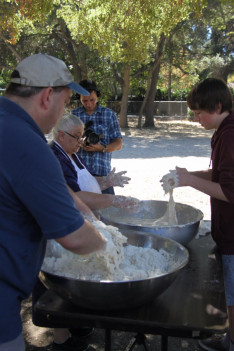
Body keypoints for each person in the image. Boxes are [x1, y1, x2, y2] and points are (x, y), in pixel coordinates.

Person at [0, 53, 107, 351]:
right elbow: (75, 239)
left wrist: (83, 208)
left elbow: (50, 188)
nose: (64, 111)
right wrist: (111, 246)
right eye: (65, 101)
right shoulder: (28, 142)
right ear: (48, 96)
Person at [161, 78, 233, 351]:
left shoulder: (229, 135)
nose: (196, 118)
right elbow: (222, 174)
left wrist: (190, 181)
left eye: (199, 112)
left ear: (217, 105)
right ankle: (229, 338)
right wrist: (186, 176)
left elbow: (230, 191)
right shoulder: (222, 131)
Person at [50, 113, 139, 211]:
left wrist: (106, 181)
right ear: (62, 136)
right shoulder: (55, 157)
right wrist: (113, 200)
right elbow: (75, 197)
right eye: (77, 137)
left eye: (82, 137)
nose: (81, 142)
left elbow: (85, 183)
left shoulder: (72, 153)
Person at [72, 79, 122, 195]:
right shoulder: (74, 115)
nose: (89, 103)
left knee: (108, 211)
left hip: (103, 175)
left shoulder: (109, 114)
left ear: (97, 96)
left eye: (92, 100)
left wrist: (102, 148)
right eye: (84, 101)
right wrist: (78, 144)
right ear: (79, 98)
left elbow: (118, 144)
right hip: (80, 174)